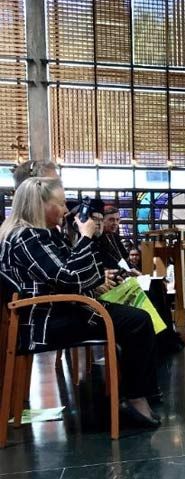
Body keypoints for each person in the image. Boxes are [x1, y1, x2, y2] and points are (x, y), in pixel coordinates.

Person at [0, 178, 160, 427]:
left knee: (137, 316)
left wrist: (84, 241)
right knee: (137, 321)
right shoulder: (26, 237)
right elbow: (69, 278)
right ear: (40, 205)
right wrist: (85, 238)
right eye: (60, 204)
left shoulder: (44, 235)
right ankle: (136, 397)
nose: (66, 211)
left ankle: (140, 392)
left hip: (63, 309)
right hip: (47, 321)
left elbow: (87, 273)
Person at [95, 205, 133, 272]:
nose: (115, 223)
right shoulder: (96, 238)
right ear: (102, 220)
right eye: (111, 220)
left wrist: (131, 270)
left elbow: (123, 257)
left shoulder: (115, 237)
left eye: (117, 220)